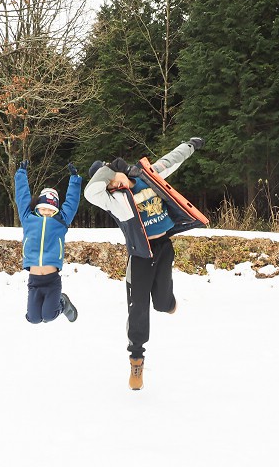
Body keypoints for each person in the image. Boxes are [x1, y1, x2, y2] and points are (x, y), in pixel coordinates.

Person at [84, 138, 206, 390]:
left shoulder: (146, 177)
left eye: (112, 179)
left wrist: (190, 145)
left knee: (162, 304)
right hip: (140, 256)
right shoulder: (113, 199)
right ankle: (136, 360)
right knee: (138, 308)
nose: (112, 184)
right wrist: (109, 172)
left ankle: (168, 302)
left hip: (163, 249)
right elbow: (90, 192)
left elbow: (171, 160)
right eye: (108, 183)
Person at [15, 160, 82, 324]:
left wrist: (74, 179)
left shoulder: (61, 221)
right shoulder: (27, 218)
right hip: (34, 280)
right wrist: (21, 174)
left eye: (51, 210)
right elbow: (22, 197)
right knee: (33, 318)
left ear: (56, 211)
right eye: (43, 208)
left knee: (49, 315)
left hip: (52, 280)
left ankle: (62, 302)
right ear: (37, 208)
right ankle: (39, 310)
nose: (46, 212)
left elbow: (71, 203)